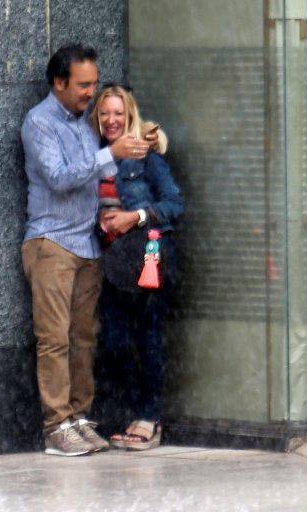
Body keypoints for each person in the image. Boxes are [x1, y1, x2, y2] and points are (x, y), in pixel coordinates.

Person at [20, 45, 151, 457]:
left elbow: (107, 169)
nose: (90, 92)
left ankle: (79, 417)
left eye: (94, 83)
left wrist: (143, 141)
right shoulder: (39, 123)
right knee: (54, 338)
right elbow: (59, 178)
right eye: (82, 84)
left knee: (84, 338)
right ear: (59, 83)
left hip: (88, 245)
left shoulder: (84, 123)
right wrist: (109, 153)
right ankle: (56, 425)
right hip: (51, 243)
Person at [90, 85, 183, 450]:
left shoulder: (146, 158)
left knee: (148, 338)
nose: (111, 120)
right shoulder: (94, 159)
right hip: (112, 264)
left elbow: (175, 205)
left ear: (130, 116)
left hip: (147, 258)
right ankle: (131, 412)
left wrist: (136, 216)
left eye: (118, 113)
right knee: (115, 342)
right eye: (104, 114)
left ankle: (150, 416)